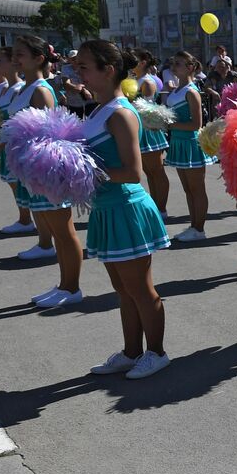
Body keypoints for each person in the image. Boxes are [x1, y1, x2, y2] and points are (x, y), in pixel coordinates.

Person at [74, 42, 172, 380]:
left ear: (108, 70)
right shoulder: (98, 109)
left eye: (85, 66)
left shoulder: (120, 113)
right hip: (106, 208)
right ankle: (131, 352)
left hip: (126, 208)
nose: (78, 72)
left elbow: (133, 172)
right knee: (122, 289)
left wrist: (81, 170)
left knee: (140, 289)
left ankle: (156, 353)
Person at [8, 36, 85, 306]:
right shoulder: (23, 89)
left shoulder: (41, 90)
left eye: (21, 54)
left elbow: (50, 136)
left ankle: (72, 288)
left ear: (39, 58)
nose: (16, 58)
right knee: (54, 229)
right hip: (32, 170)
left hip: (46, 169)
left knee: (64, 232)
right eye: (15, 54)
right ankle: (63, 284)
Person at [0, 47, 35, 236]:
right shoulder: (6, 88)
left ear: (13, 63)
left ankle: (28, 220)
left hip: (13, 144)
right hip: (5, 143)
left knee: (21, 185)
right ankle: (24, 218)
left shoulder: (19, 88)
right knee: (14, 184)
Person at [163, 51, 211, 242]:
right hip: (178, 142)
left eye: (179, 64)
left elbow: (196, 124)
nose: (174, 67)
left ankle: (199, 229)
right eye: (173, 63)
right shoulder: (175, 90)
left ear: (190, 68)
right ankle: (193, 226)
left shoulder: (191, 92)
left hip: (191, 143)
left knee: (197, 188)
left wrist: (169, 125)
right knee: (188, 189)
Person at [130, 51, 171, 215]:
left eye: (135, 60)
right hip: (140, 129)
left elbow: (148, 109)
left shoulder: (147, 82)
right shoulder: (134, 80)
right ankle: (155, 205)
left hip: (149, 130)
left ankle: (161, 208)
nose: (132, 63)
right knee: (149, 172)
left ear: (143, 62)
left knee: (157, 171)